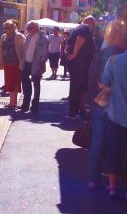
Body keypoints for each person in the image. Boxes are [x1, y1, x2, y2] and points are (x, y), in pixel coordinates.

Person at [87, 20, 127, 190]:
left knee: (98, 143)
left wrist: (90, 99)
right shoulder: (120, 56)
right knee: (115, 145)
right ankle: (114, 180)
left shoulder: (100, 53)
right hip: (115, 107)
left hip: (99, 102)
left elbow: (92, 80)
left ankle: (93, 180)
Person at [100, 31, 127, 199]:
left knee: (113, 150)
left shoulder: (114, 60)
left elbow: (104, 82)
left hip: (115, 113)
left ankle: (112, 187)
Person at [67, 15, 96, 118]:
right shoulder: (85, 28)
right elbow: (80, 39)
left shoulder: (77, 28)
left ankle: (78, 109)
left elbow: (69, 44)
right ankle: (73, 112)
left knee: (80, 86)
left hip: (78, 63)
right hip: (79, 63)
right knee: (77, 87)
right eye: (94, 24)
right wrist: (74, 54)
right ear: (91, 22)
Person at [19, 21, 49, 113]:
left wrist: (41, 65)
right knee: (25, 84)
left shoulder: (42, 38)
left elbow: (45, 53)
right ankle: (25, 104)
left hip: (37, 65)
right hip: (26, 64)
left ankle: (35, 105)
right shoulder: (28, 36)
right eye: (27, 28)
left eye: (29, 28)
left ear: (36, 28)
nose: (28, 30)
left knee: (36, 85)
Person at [0, 20, 25, 109]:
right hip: (7, 63)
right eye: (4, 28)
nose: (5, 29)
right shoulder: (3, 37)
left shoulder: (19, 36)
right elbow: (0, 49)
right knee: (9, 83)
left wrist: (22, 61)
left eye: (7, 27)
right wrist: (1, 60)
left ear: (13, 27)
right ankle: (11, 102)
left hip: (16, 63)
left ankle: (14, 103)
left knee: (15, 83)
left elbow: (24, 48)